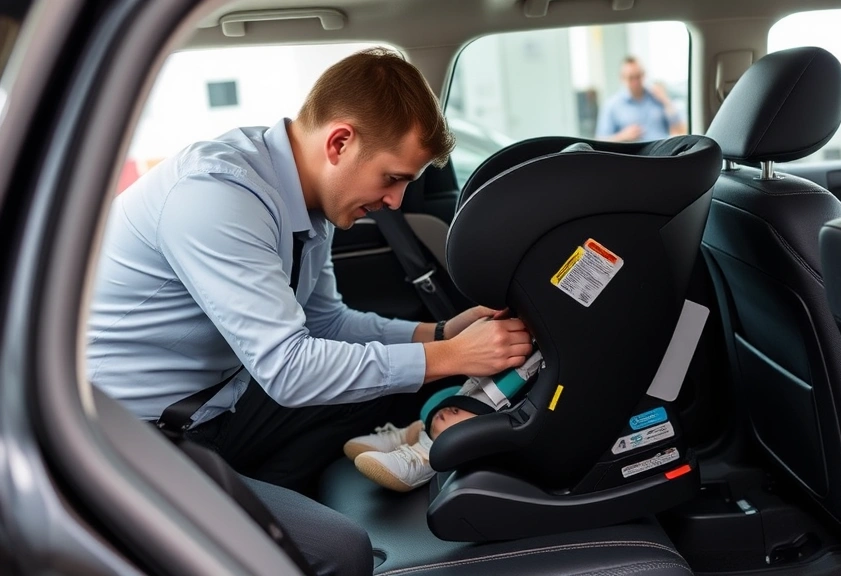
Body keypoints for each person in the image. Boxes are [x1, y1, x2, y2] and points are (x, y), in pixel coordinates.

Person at [86, 47, 533, 576]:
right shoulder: (216, 195)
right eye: (392, 178)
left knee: (382, 389)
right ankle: (256, 517)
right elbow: (289, 369)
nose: (396, 200)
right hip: (126, 437)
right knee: (341, 551)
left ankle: (260, 497)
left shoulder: (307, 202)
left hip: (218, 407)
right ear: (340, 142)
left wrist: (438, 332)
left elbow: (328, 325)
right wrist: (452, 356)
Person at [344, 346, 544, 492]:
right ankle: (411, 434)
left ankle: (422, 456)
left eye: (455, 412)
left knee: (449, 423)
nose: (450, 411)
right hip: (475, 391)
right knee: (440, 409)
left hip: (486, 413)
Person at [595, 56, 687, 142]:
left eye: (638, 76)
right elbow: (601, 140)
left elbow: (681, 129)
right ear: (622, 78)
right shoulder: (612, 105)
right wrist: (622, 137)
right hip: (633, 157)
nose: (635, 82)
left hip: (662, 155)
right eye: (631, 78)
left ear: (644, 74)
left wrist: (666, 101)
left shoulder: (657, 97)